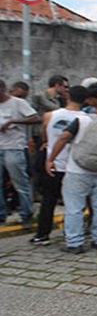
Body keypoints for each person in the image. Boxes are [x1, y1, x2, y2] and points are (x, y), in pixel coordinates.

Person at [46, 98, 97, 254]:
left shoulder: (82, 121)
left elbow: (63, 137)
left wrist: (51, 159)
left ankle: (74, 243)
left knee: (74, 207)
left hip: (77, 170)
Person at [30, 86, 89, 245]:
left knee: (48, 200)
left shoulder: (50, 115)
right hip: (76, 166)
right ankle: (73, 233)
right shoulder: (88, 119)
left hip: (54, 163)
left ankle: (42, 234)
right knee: (75, 203)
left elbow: (45, 136)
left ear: (68, 97)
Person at [0, 79, 41, 227]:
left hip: (14, 147)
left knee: (20, 182)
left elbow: (36, 118)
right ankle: (1, 214)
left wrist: (13, 122)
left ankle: (27, 213)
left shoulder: (17, 103)